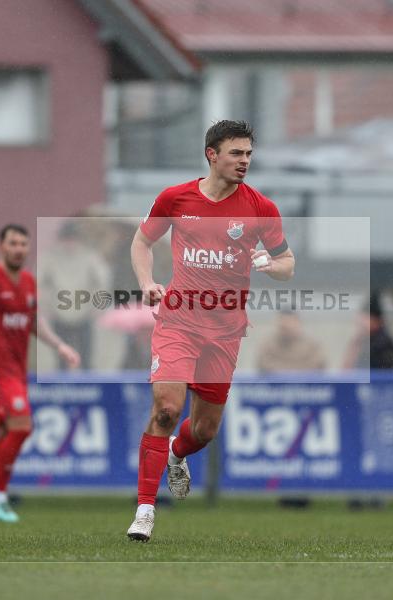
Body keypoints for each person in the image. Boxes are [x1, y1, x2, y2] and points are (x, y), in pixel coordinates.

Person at [126, 120, 294, 542]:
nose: (244, 162)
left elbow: (287, 263)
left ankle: (177, 454)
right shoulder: (175, 197)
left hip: (225, 330)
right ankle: (145, 511)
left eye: (249, 154)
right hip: (178, 320)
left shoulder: (261, 208)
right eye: (236, 153)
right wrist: (147, 284)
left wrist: (272, 265)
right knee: (166, 408)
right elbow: (142, 242)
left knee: (204, 431)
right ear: (212, 155)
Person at [0, 224, 80, 523]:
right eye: (13, 243)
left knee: (6, 434)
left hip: (17, 369)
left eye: (23, 244)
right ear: (1, 246)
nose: (18, 249)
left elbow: (33, 322)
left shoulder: (28, 282)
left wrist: (60, 346)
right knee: (21, 427)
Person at [38, 221, 110, 369]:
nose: (70, 243)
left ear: (78, 240)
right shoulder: (49, 257)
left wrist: (98, 306)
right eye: (67, 239)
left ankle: (89, 388)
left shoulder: (90, 257)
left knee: (86, 358)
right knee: (61, 358)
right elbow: (38, 282)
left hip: (84, 313)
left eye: (73, 239)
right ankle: (62, 389)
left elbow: (103, 281)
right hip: (59, 313)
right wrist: (44, 306)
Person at [257, 309, 325, 373]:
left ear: (298, 323)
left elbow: (318, 365)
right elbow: (264, 365)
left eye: (289, 324)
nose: (286, 327)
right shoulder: (268, 345)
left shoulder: (312, 345)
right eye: (283, 326)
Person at [342, 292, 393, 370]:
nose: (361, 323)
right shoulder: (362, 340)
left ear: (375, 320)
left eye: (366, 319)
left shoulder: (383, 343)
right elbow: (346, 370)